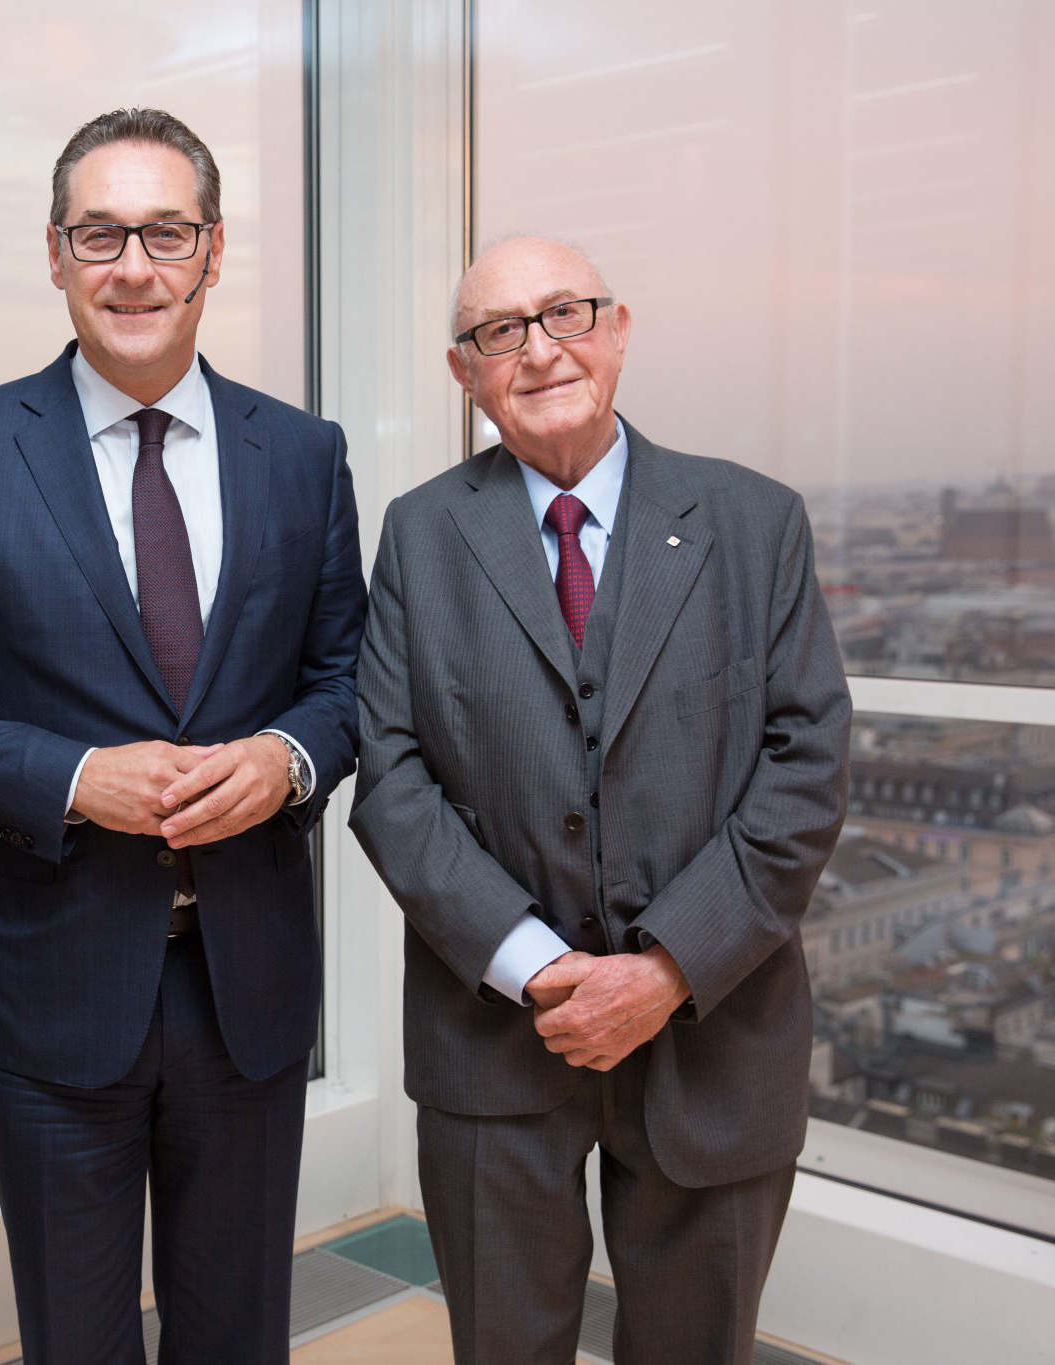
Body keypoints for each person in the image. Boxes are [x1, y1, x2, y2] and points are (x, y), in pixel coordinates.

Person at [0, 108, 365, 1363]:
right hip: (51, 982)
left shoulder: (300, 455)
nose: (133, 265)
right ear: (54, 253)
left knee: (236, 1333)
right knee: (75, 1341)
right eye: (100, 234)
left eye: (164, 232)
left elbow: (348, 679)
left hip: (246, 980)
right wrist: (76, 779)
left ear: (213, 250)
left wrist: (285, 761)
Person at [350, 234, 851, 1364]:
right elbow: (389, 779)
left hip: (715, 1034)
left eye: (563, 313)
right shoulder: (420, 535)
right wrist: (533, 964)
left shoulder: (754, 521)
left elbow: (805, 762)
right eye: (497, 332)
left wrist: (666, 969)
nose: (536, 350)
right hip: (492, 1036)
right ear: (461, 371)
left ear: (616, 329)